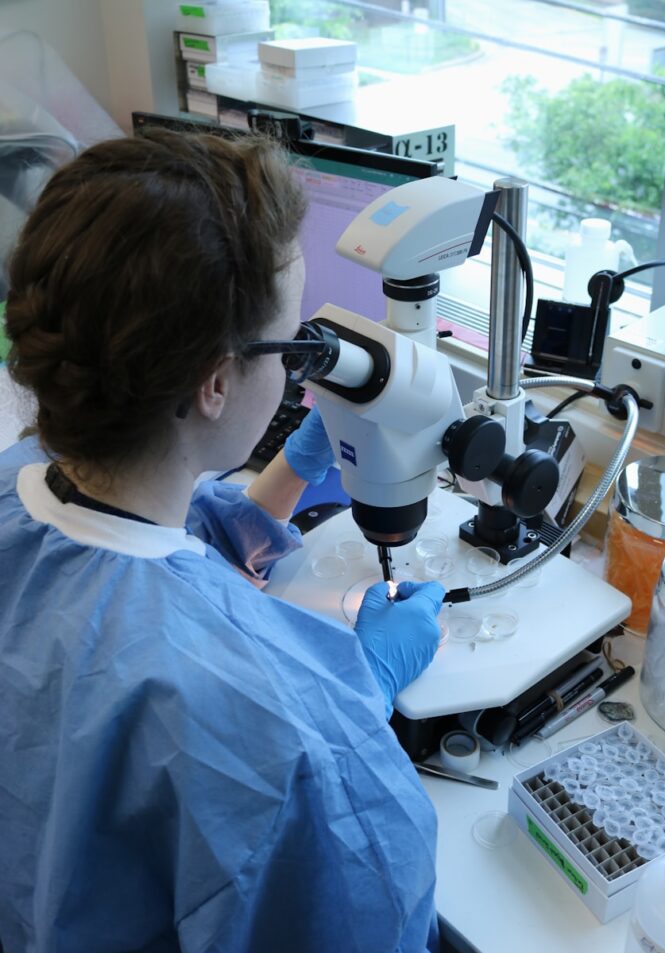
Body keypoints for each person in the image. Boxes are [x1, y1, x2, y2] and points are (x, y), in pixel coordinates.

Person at [0, 129, 446, 953]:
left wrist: (286, 465)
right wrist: (356, 695)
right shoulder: (299, 748)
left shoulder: (20, 486)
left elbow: (155, 535)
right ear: (213, 383)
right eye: (291, 346)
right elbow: (331, 863)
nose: (295, 371)